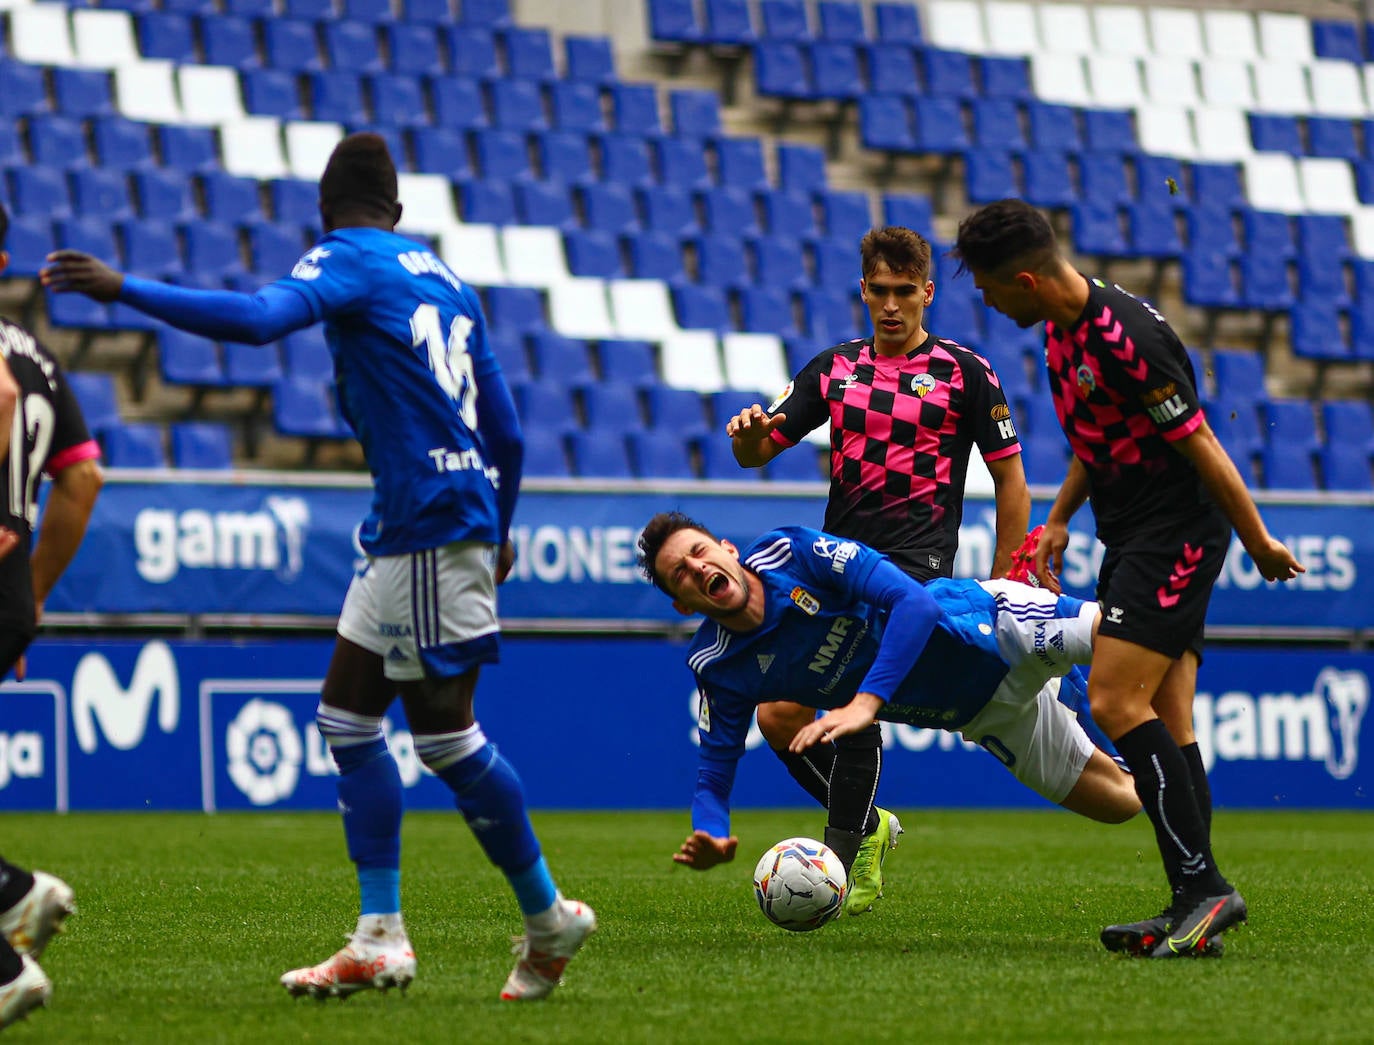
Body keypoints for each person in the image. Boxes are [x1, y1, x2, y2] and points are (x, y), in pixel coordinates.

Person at [42, 133, 596, 1001]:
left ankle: (545, 916)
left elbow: (261, 320)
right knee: (347, 719)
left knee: (447, 736)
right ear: (400, 211)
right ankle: (380, 935)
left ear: (323, 211)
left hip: (426, 520)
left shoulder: (347, 259)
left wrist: (125, 289)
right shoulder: (448, 279)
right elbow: (511, 432)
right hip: (429, 523)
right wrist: (503, 525)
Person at [951, 198, 1305, 958]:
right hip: (1132, 533)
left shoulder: (1128, 338)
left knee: (1114, 697)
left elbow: (1202, 443)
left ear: (1026, 280)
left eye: (987, 286)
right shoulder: (1060, 333)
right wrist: (1057, 517)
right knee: (1171, 721)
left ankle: (1206, 888)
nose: (983, 298)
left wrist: (1260, 542)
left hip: (1177, 533)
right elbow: (1096, 436)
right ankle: (1193, 898)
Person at [725, 226, 1031, 914]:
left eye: (905, 292)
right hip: (839, 567)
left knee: (851, 695)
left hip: (916, 567)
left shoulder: (967, 372)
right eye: (879, 292)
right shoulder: (833, 369)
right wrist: (747, 438)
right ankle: (868, 824)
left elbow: (1011, 481)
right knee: (778, 713)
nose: (891, 306)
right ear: (863, 290)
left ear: (927, 291)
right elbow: (760, 445)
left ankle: (839, 858)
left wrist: (1005, 579)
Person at [636, 512, 1143, 889]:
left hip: (992, 626)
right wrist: (711, 831)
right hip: (985, 713)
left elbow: (915, 604)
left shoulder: (792, 553)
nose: (697, 567)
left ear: (727, 548)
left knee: (1126, 633)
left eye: (700, 551)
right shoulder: (719, 665)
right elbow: (714, 768)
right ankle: (1058, 687)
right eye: (680, 572)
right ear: (684, 604)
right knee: (1123, 802)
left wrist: (865, 702)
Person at [0, 202, 99, 1028]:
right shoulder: (38, 355)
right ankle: (9, 895)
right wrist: (28, 591)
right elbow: (83, 479)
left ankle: (7, 948)